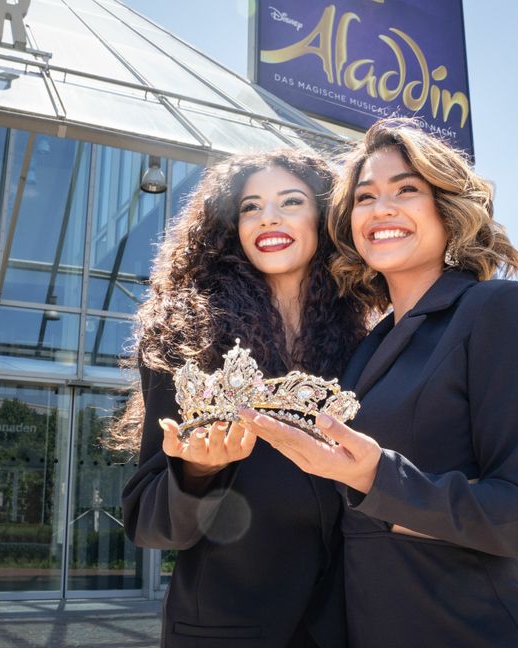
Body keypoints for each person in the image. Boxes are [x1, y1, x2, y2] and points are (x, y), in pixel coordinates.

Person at [240, 119, 518, 647]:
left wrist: (377, 479)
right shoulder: (367, 345)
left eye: (406, 189)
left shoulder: (494, 310)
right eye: (365, 197)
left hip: (468, 630)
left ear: (447, 208)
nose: (381, 209)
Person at [117, 149, 369, 647]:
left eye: (291, 201)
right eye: (251, 206)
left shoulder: (368, 335)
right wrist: (197, 472)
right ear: (230, 227)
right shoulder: (182, 335)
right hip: (227, 628)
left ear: (325, 217)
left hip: (346, 625)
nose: (268, 217)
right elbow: (148, 520)